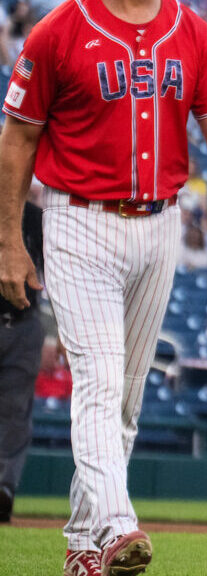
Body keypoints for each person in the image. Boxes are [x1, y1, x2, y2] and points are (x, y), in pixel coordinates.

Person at [0, 0, 207, 576]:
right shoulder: (59, 31)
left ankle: (84, 548)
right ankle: (119, 527)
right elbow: (17, 141)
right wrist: (6, 242)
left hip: (158, 226)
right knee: (95, 381)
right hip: (79, 221)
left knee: (124, 400)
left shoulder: (191, 30)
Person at [0, 198, 45, 525]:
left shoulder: (35, 218)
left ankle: (4, 489)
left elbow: (58, 273)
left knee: (16, 412)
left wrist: (59, 334)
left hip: (24, 323)